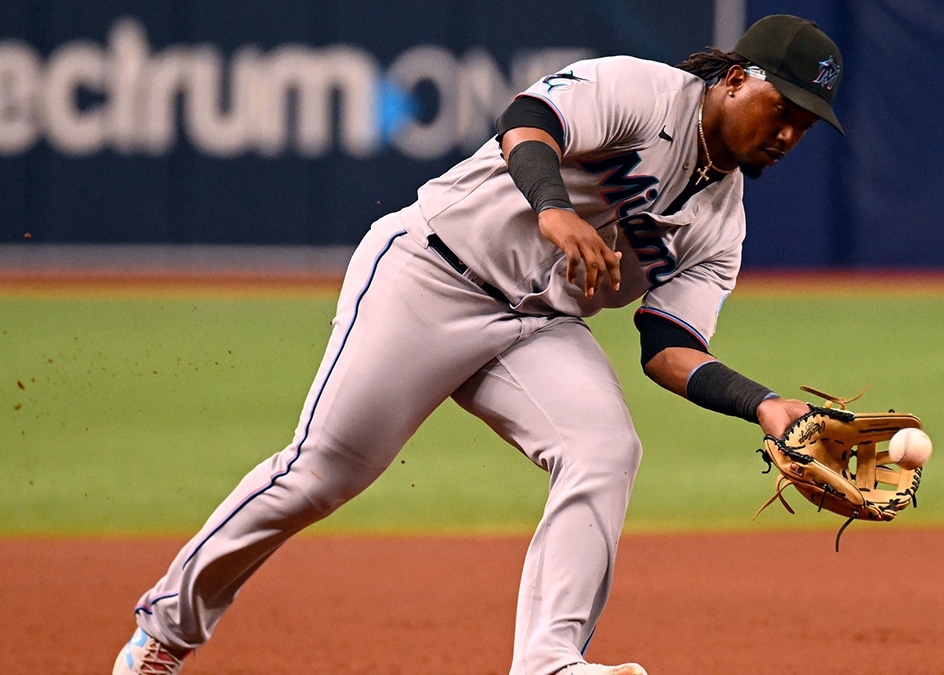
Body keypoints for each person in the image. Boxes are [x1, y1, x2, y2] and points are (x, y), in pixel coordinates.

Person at [114, 14, 844, 675]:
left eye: (805, 125)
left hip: (537, 325)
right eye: (783, 108)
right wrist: (553, 208)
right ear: (738, 79)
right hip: (430, 273)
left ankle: (549, 661)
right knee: (321, 472)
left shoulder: (723, 227)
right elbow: (528, 118)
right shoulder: (646, 91)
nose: (788, 134)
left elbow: (667, 344)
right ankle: (162, 635)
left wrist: (766, 406)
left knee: (604, 448)